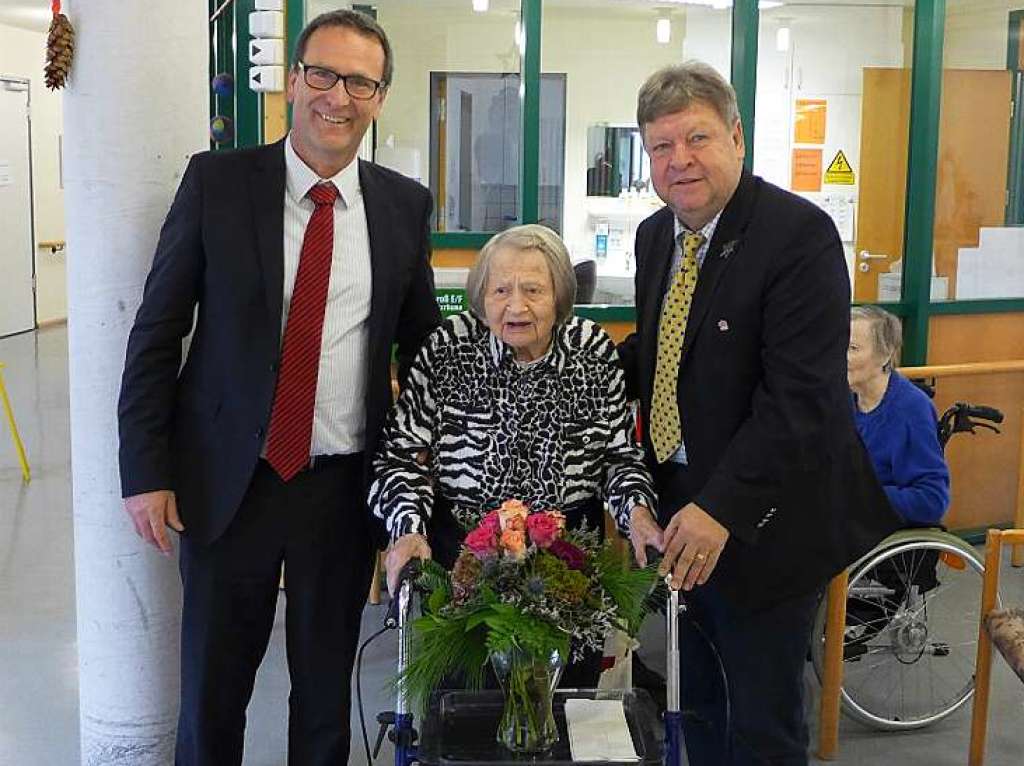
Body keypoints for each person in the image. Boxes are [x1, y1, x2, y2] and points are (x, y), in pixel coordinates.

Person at [117, 10, 441, 765]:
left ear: (380, 96)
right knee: (213, 690)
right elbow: (157, 335)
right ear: (293, 80)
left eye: (360, 81)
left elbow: (425, 351)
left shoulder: (402, 206)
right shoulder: (219, 184)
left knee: (326, 694)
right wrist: (146, 471)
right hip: (229, 481)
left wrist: (430, 473)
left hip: (340, 488)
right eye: (323, 74)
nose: (339, 96)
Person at [617, 62, 901, 765]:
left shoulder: (798, 236)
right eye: (660, 146)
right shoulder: (657, 236)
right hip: (682, 513)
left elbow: (801, 399)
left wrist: (721, 508)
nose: (678, 160)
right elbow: (660, 357)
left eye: (697, 138)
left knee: (764, 725)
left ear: (737, 137)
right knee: (698, 703)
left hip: (768, 523)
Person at [369, 224, 657, 685]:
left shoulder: (592, 350)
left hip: (566, 557)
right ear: (481, 295)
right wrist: (407, 530)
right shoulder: (446, 349)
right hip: (463, 553)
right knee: (466, 704)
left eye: (533, 290)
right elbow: (401, 456)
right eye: (500, 289)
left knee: (561, 706)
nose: (515, 305)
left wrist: (637, 515)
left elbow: (620, 458)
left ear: (560, 294)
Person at [848, 305, 950, 525]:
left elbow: (931, 500)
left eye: (853, 348)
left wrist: (857, 496)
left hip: (879, 524)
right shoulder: (846, 399)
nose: (840, 357)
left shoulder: (911, 409)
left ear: (885, 354)